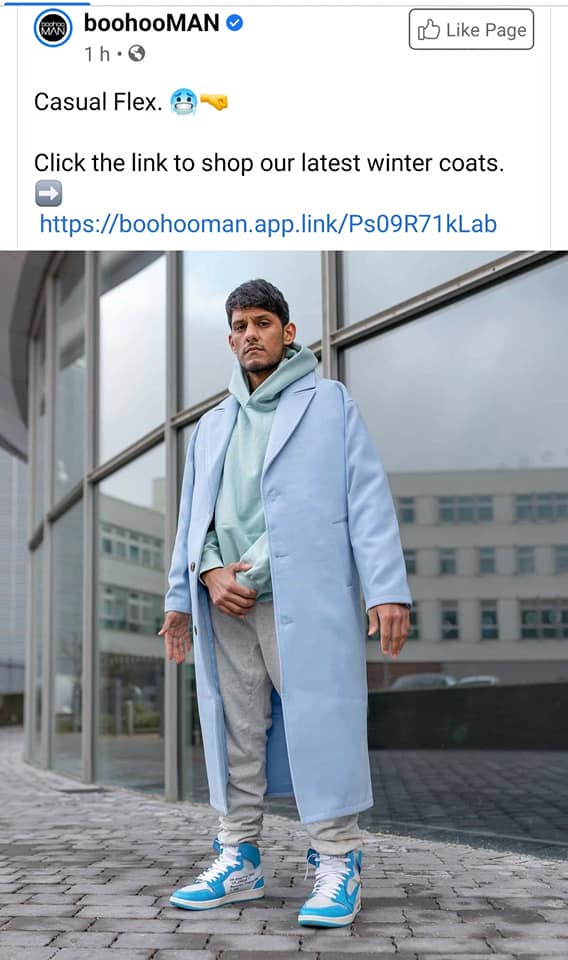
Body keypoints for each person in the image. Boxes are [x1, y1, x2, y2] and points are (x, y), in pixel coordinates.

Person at [159, 278, 411, 927]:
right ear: (230, 339)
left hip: (300, 594)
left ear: (287, 332)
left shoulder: (329, 403)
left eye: (263, 323)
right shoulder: (211, 425)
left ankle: (338, 859)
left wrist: (387, 587)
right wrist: (198, 580)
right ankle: (238, 857)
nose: (251, 335)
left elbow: (366, 498)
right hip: (225, 604)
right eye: (241, 326)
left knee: (320, 722)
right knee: (235, 731)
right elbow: (193, 518)